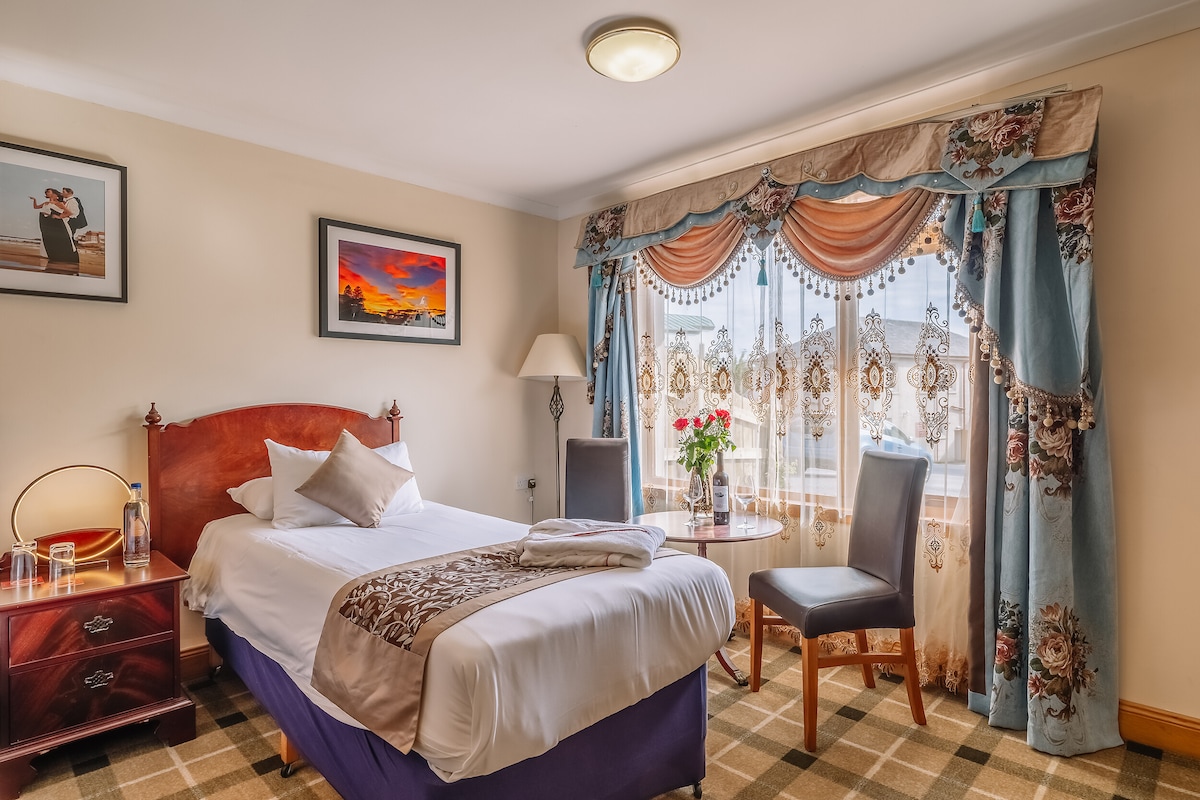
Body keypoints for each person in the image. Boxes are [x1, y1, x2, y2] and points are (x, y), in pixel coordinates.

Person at [29, 188, 78, 265]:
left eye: (48, 191)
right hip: (45, 222)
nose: (46, 193)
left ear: (54, 194)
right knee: (47, 238)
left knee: (58, 240)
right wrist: (34, 200)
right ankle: (50, 255)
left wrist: (59, 217)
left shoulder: (59, 203)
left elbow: (69, 213)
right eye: (46, 192)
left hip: (55, 223)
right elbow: (36, 207)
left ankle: (62, 256)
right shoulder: (46, 203)